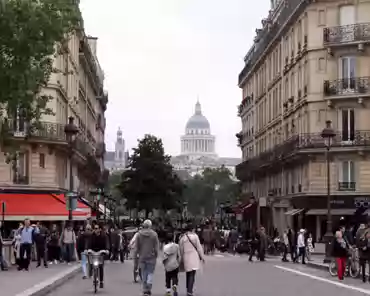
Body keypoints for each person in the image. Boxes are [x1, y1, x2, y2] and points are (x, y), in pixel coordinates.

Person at [134, 219, 160, 296]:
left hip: (142, 256)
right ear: (150, 226)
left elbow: (136, 247)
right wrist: (156, 254)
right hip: (151, 256)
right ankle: (149, 285)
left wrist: (136, 255)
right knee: (150, 272)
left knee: (144, 272)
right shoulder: (154, 235)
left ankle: (145, 289)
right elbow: (156, 247)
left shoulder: (139, 234)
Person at [179, 222, 205, 296]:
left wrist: (181, 257)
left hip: (186, 257)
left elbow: (181, 248)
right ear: (193, 229)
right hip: (194, 257)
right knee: (192, 274)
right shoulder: (195, 237)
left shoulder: (183, 237)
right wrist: (202, 257)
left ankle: (188, 289)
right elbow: (199, 247)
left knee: (188, 273)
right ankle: (189, 291)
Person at [86, 224, 108, 288]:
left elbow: (107, 243)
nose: (95, 230)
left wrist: (107, 250)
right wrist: (86, 249)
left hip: (101, 252)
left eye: (97, 228)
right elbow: (88, 243)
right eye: (94, 228)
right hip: (93, 252)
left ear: (100, 229)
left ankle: (101, 281)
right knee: (90, 263)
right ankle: (90, 274)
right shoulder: (91, 236)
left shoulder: (104, 236)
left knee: (101, 266)